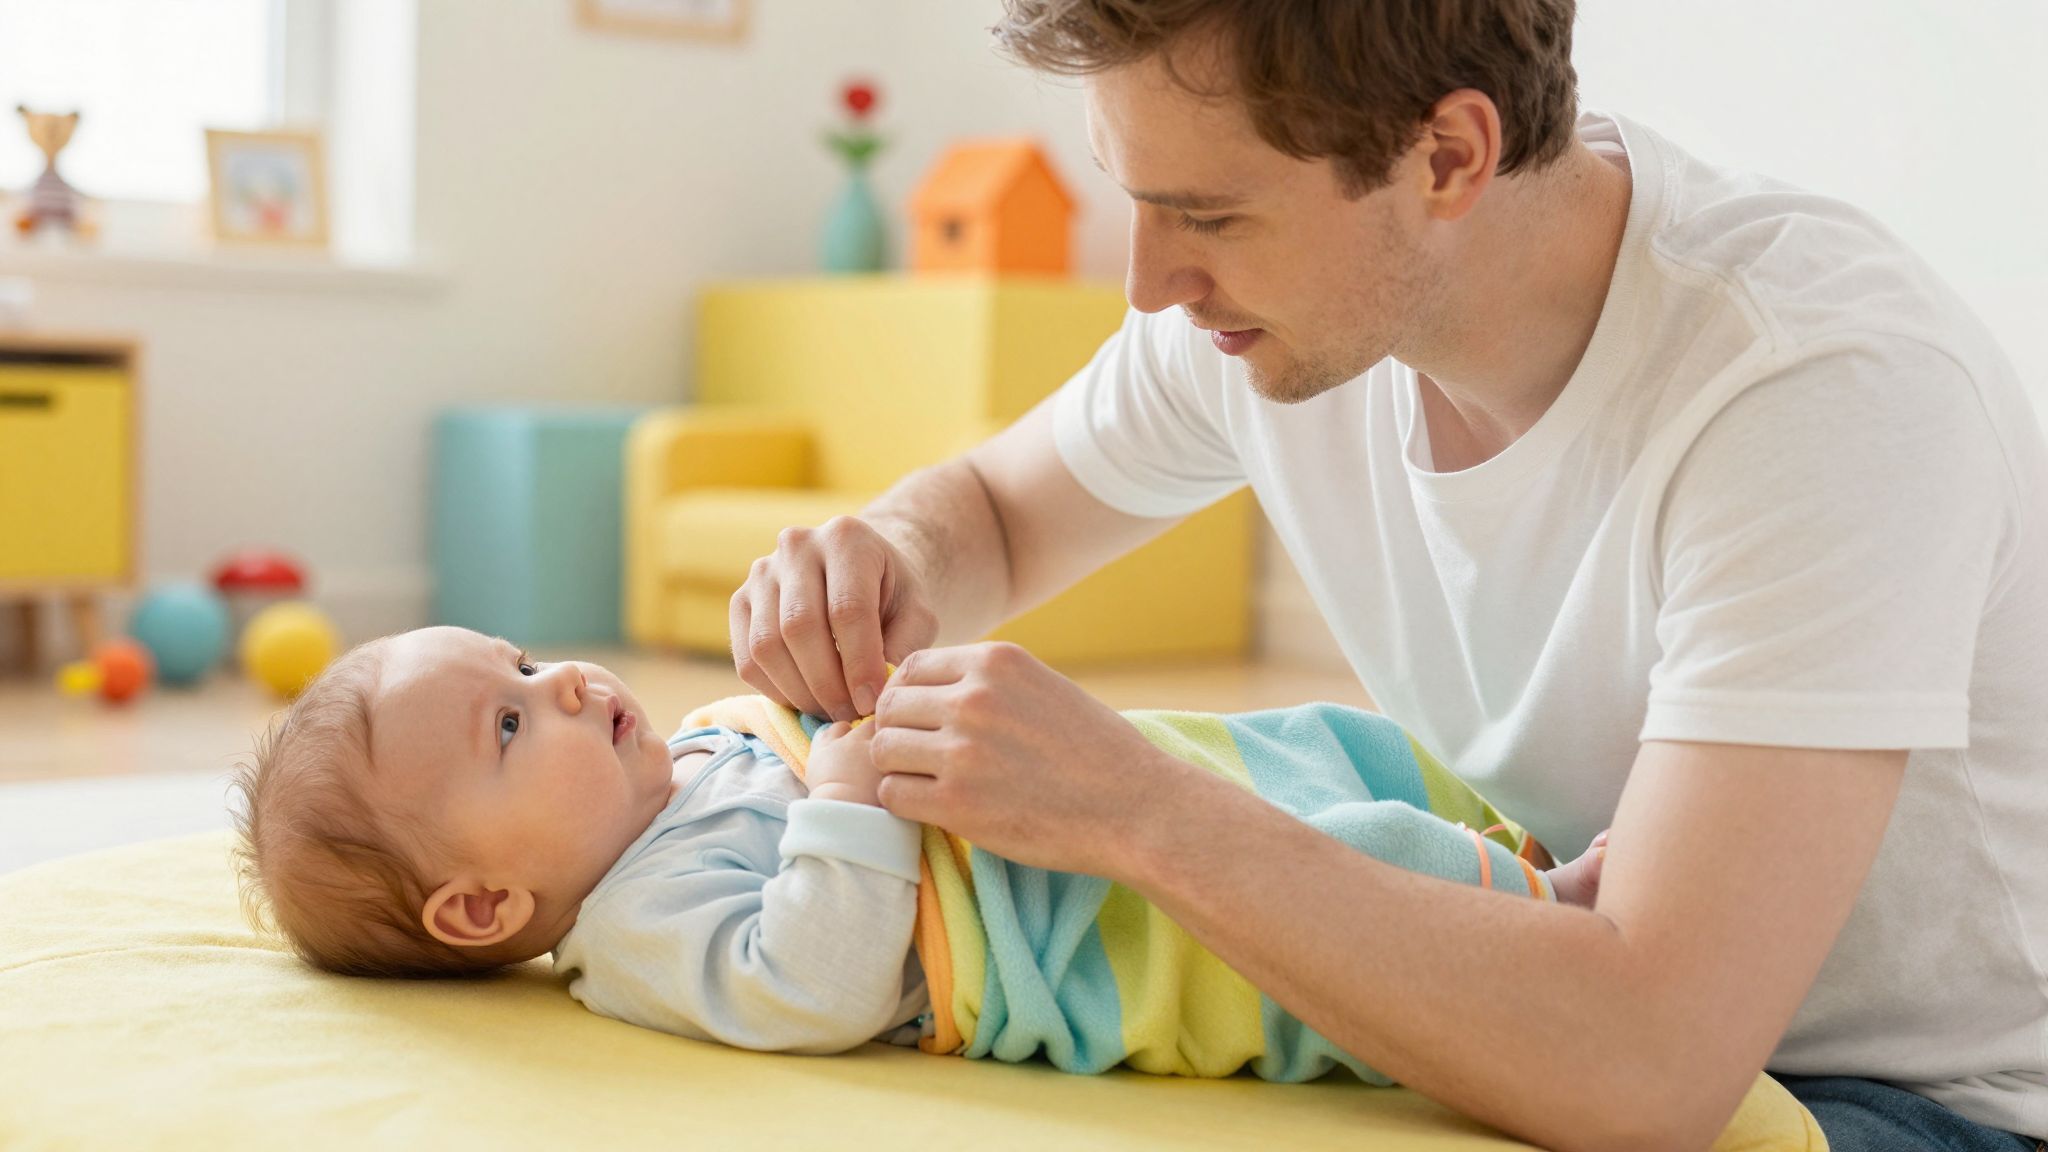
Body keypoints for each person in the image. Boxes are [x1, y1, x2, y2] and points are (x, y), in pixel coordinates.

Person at [725, 3, 2048, 1150]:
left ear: (1449, 157)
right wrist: (887, 556)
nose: (1150, 281)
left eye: (1208, 213)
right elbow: (998, 516)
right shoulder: (1276, 311)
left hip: (1916, 1100)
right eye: (1137, 198)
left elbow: (1648, 1073)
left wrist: (1134, 810)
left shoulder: (1814, 389)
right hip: (1585, 998)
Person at [228, 625, 1608, 1074]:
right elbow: (810, 985)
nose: (569, 685)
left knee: (1290, 753)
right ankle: (1547, 916)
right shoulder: (635, 930)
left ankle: (1513, 830)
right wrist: (844, 796)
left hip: (1068, 809)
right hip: (1067, 932)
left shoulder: (690, 754)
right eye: (511, 725)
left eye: (526, 662)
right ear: (483, 907)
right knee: (1343, 862)